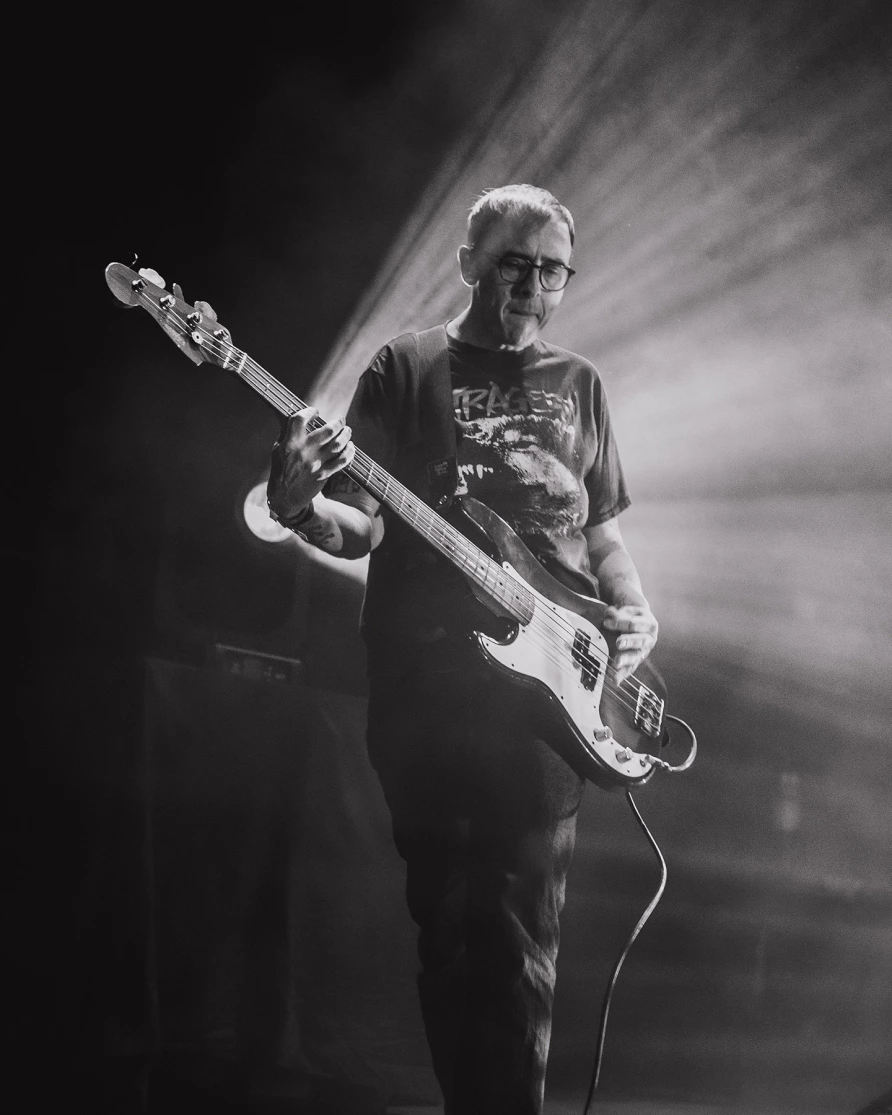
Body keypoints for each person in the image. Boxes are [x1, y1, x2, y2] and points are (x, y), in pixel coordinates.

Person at [265, 185, 658, 1115]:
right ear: (468, 262)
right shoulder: (405, 369)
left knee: (523, 945)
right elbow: (359, 528)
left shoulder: (582, 385)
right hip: (430, 694)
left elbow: (601, 538)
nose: (532, 285)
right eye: (514, 263)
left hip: (554, 698)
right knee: (452, 936)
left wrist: (637, 611)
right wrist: (293, 506)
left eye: (552, 270)